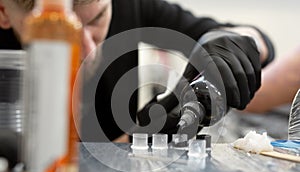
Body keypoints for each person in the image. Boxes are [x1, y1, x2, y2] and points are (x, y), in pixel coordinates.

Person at [0, 0, 274, 143]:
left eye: (96, 20)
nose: (87, 50)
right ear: (4, 11)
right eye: (58, 29)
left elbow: (257, 40)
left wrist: (233, 43)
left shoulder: (129, 5)